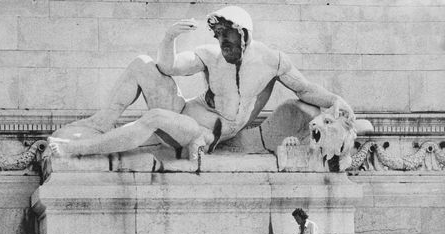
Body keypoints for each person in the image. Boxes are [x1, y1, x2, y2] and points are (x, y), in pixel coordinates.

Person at [48, 5, 354, 161]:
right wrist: (169, 37)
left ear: (244, 34)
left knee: (154, 118)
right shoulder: (210, 55)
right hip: (183, 111)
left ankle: (79, 150)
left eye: (227, 36)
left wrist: (335, 100)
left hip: (204, 132)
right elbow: (167, 67)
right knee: (142, 64)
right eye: (218, 35)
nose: (222, 42)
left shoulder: (272, 61)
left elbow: (304, 89)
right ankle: (102, 123)